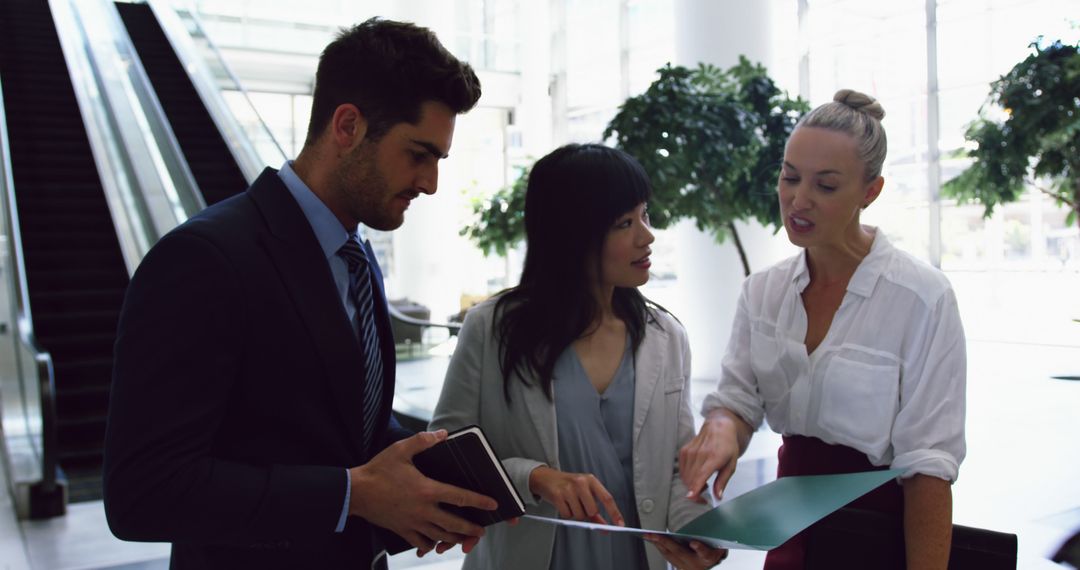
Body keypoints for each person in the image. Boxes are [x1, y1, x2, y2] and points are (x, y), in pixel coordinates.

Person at [104, 18, 499, 569]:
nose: (430, 183)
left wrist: (446, 479)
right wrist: (351, 495)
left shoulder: (356, 261)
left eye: (438, 160)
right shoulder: (204, 259)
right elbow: (143, 493)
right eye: (418, 154)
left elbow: (342, 425)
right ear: (348, 127)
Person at [679, 89, 966, 569]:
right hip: (788, 535)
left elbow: (929, 469)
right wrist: (722, 429)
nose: (798, 199)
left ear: (870, 191)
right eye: (789, 177)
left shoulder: (922, 299)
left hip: (877, 538)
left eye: (826, 186)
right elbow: (738, 399)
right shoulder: (764, 292)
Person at [430, 143, 727, 570]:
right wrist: (534, 477)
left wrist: (696, 532)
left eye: (645, 214)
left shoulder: (666, 337)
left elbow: (679, 470)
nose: (647, 236)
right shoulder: (492, 329)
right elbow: (448, 459)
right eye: (625, 222)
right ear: (571, 236)